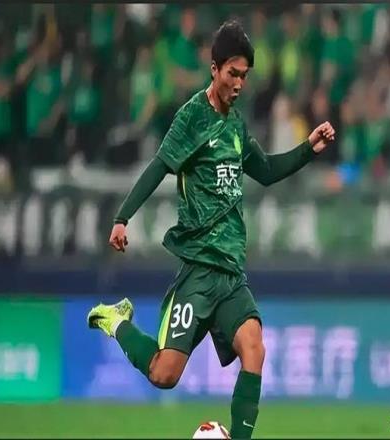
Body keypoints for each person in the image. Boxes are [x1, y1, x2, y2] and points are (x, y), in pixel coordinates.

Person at [87, 20, 335, 439]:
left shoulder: (236, 125)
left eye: (245, 76)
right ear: (214, 68)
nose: (238, 84)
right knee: (164, 374)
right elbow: (159, 167)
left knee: (254, 347)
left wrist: (308, 149)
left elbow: (267, 171)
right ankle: (117, 320)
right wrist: (122, 218)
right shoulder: (192, 118)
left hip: (231, 274)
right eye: (232, 73)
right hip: (199, 271)